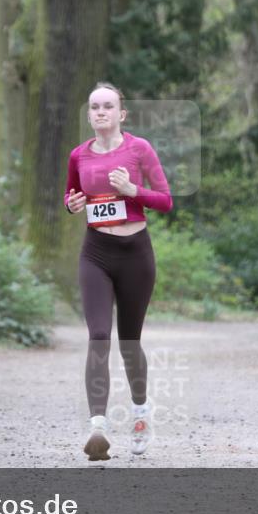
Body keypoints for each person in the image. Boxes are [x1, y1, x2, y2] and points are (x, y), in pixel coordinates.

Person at [64, 82, 173, 461]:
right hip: (96, 252)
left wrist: (132, 190)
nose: (100, 112)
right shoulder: (78, 155)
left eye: (108, 106)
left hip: (135, 254)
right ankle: (98, 427)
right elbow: (71, 195)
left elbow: (165, 200)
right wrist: (72, 204)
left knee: (129, 342)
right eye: (94, 106)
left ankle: (140, 413)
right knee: (98, 335)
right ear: (89, 114)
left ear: (121, 114)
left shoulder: (138, 149)